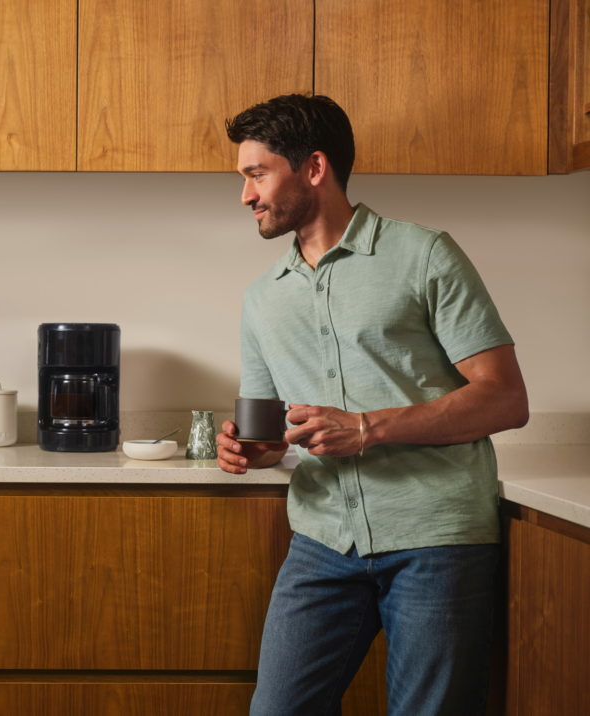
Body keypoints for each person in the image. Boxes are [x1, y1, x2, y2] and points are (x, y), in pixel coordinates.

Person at [216, 94, 528, 716]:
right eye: (243, 179)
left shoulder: (424, 255)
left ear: (313, 169)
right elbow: (271, 424)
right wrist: (255, 446)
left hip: (435, 537)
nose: (246, 196)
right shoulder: (262, 299)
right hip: (322, 540)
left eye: (257, 174)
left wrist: (366, 428)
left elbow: (505, 397)